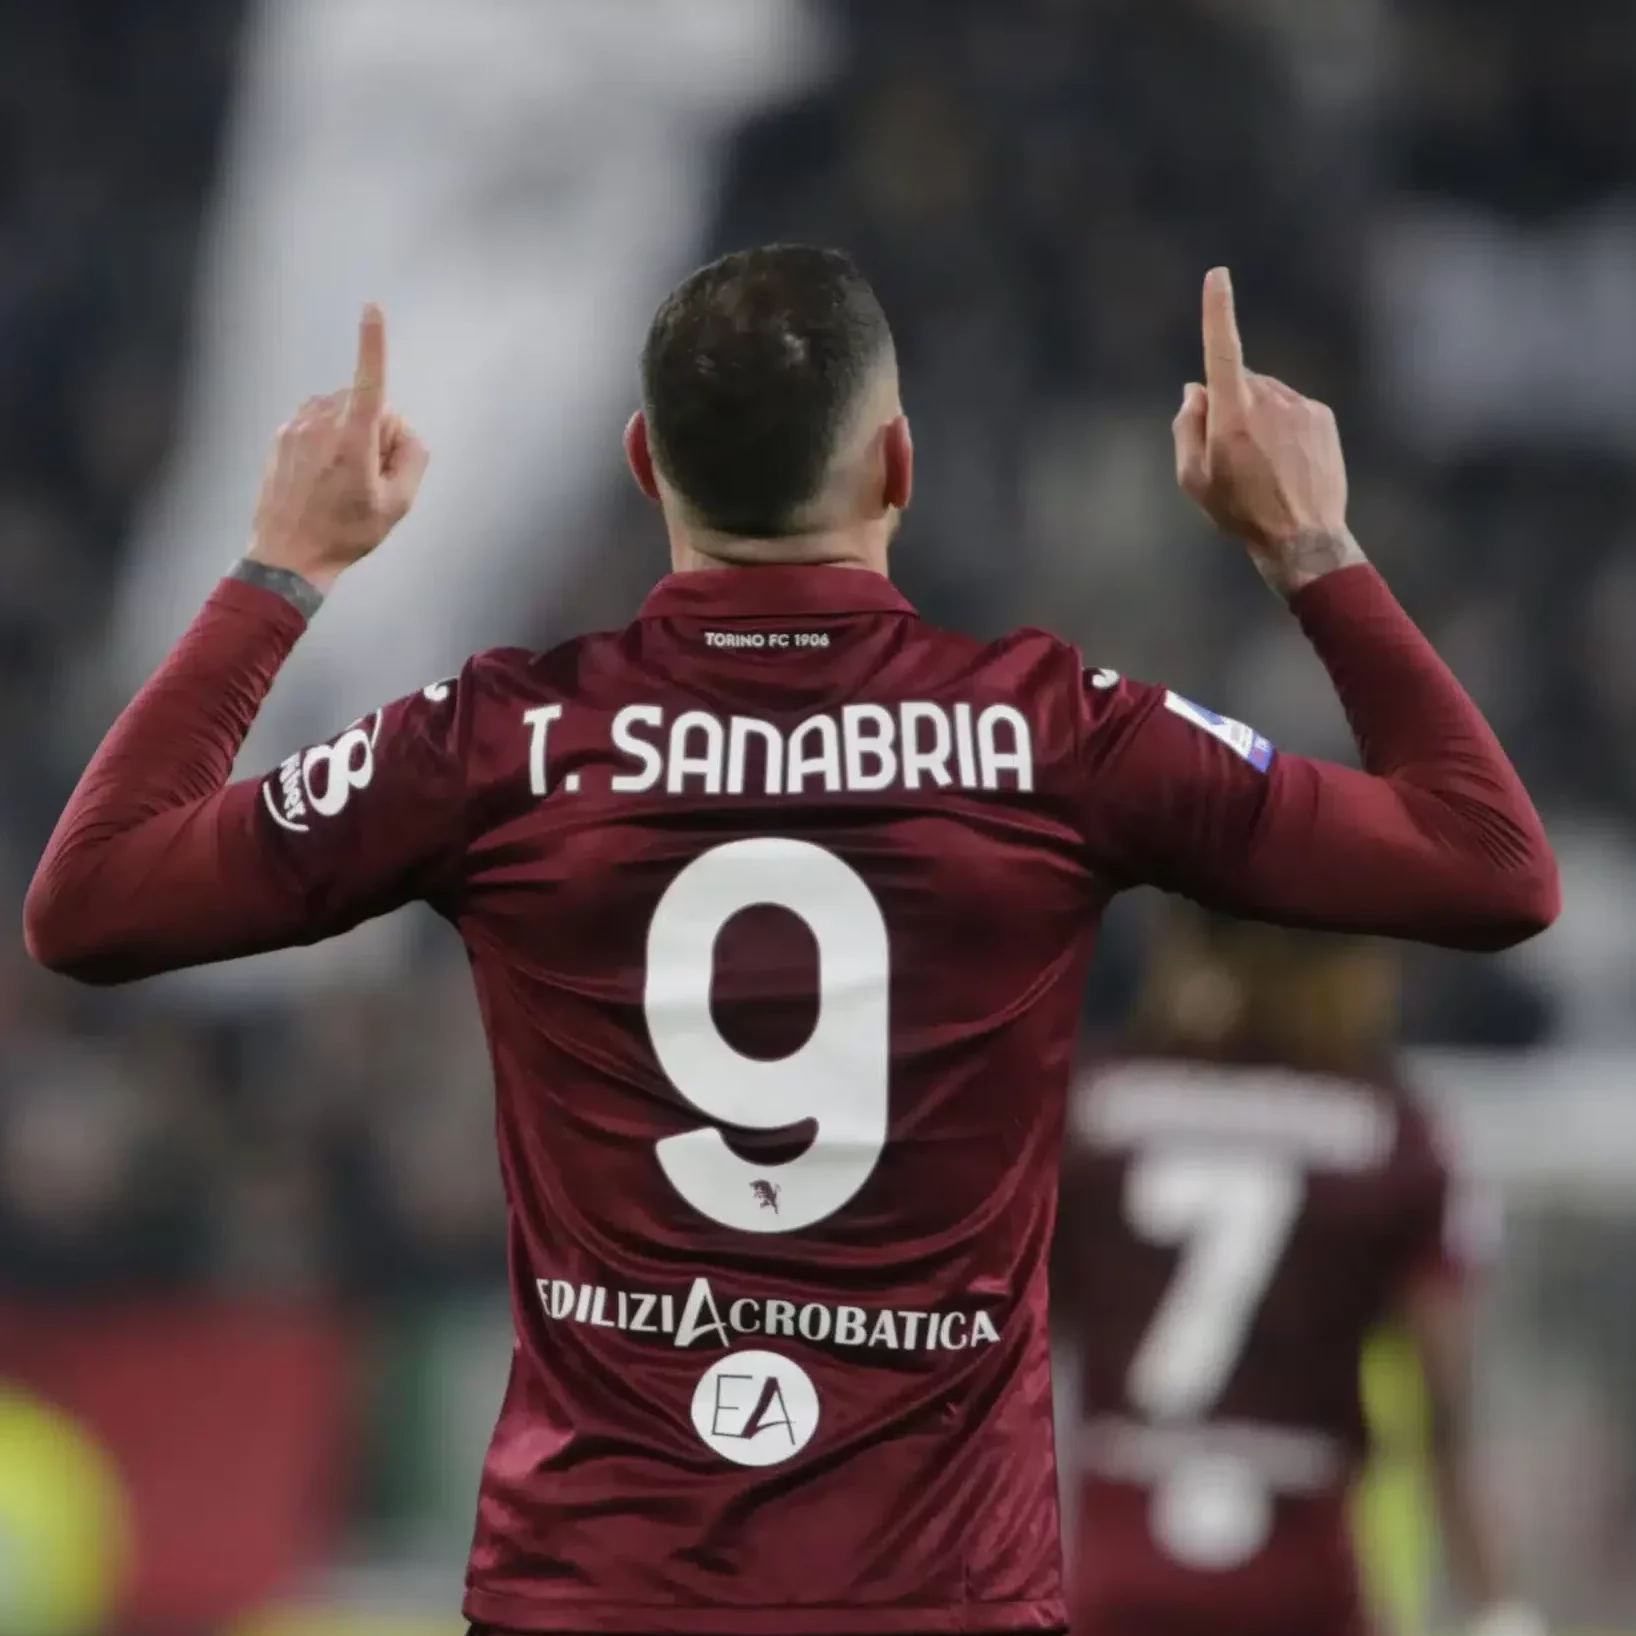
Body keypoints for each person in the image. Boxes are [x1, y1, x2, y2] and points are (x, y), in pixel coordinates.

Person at [24, 246, 1556, 1635]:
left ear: (645, 463)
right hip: (932, 1602)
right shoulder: (1051, 736)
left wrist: (284, 567)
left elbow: (91, 899)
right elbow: (1491, 864)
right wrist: (1309, 546)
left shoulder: (502, 742)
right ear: (899, 465)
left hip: (595, 1593)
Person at [1055, 906, 1542, 1636]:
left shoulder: (1088, 1107)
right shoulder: (1391, 1131)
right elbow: (1445, 1412)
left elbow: (1000, 1368)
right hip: (1302, 1572)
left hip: (1115, 1565)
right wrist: (1498, 1609)